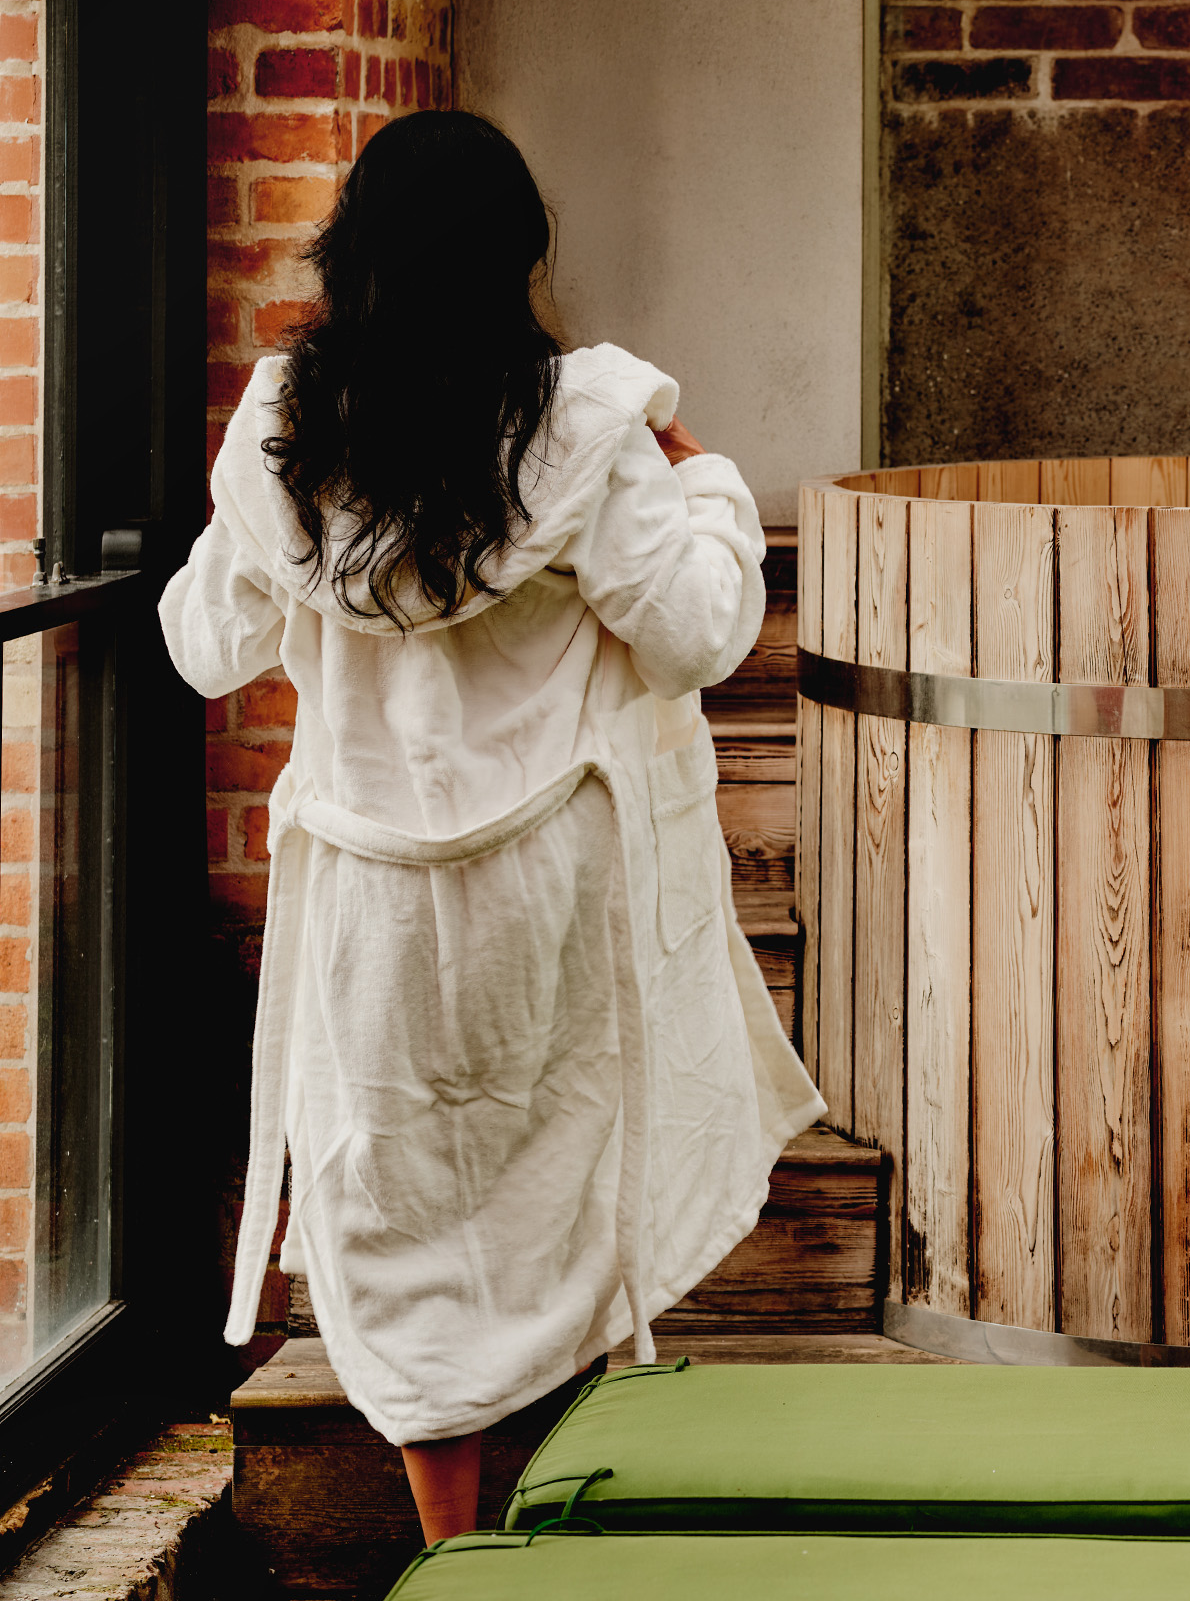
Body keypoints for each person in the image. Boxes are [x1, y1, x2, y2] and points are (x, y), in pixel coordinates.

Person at [159, 110, 823, 1543]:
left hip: (368, 905)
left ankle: (456, 1551)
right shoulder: (586, 427)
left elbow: (203, 645)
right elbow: (702, 632)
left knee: (400, 1206)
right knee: (567, 1180)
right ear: (517, 257)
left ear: (359, 256)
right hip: (550, 893)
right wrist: (705, 484)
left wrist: (250, 539)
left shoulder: (283, 430)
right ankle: (562, 1534)